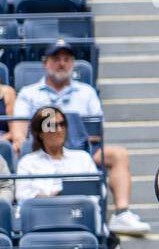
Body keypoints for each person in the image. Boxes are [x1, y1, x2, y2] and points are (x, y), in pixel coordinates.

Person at [12, 42, 149, 236]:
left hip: (84, 149)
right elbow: (19, 134)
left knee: (118, 154)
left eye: (67, 59)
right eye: (56, 59)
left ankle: (121, 212)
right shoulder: (29, 93)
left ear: (73, 63)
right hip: (39, 148)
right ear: (45, 63)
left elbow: (96, 133)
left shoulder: (86, 91)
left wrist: (70, 132)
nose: (62, 63)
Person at [15, 106, 100, 206]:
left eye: (62, 124)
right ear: (40, 133)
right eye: (52, 126)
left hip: (78, 215)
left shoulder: (83, 158)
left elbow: (97, 193)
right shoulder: (27, 163)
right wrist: (54, 200)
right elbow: (22, 197)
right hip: (42, 216)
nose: (59, 130)